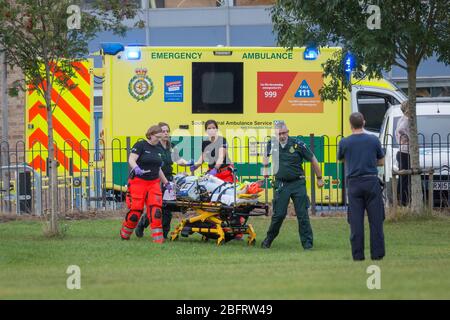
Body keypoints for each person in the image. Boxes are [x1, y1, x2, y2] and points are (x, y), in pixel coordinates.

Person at [261, 122, 324, 249]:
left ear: (288, 131)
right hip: (281, 184)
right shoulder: (271, 143)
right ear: (275, 134)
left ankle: (307, 245)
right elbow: (265, 157)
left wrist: (319, 178)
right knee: (278, 215)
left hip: (298, 183)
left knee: (302, 215)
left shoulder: (298, 144)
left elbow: (313, 159)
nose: (282, 136)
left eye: (284, 133)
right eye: (280, 134)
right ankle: (268, 240)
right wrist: (265, 170)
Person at [338, 112, 385, 261]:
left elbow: (341, 159)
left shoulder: (344, 142)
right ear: (364, 122)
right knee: (376, 220)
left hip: (354, 183)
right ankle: (377, 254)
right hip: (371, 181)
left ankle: (358, 255)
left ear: (350, 125)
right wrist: (370, 162)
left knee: (356, 221)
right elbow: (381, 161)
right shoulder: (373, 140)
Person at [135, 122, 192, 239]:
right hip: (157, 179)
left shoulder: (170, 146)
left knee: (167, 207)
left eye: (167, 131)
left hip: (169, 179)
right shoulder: (155, 146)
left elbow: (178, 159)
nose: (165, 133)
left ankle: (164, 234)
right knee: (158, 207)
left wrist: (189, 163)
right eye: (163, 131)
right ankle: (142, 223)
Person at [120, 125, 171, 243]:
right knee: (135, 212)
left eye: (160, 138)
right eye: (157, 137)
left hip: (153, 183)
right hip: (138, 182)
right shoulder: (140, 145)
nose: (158, 140)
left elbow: (158, 169)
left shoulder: (158, 149)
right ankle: (124, 234)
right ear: (151, 135)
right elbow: (131, 159)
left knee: (156, 211)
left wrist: (166, 183)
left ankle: (158, 240)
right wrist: (136, 168)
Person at [395, 101, 411, 206]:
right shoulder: (406, 119)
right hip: (405, 152)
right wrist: (407, 137)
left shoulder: (401, 119)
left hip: (401, 151)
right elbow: (401, 130)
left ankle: (400, 200)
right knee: (405, 178)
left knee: (403, 178)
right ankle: (403, 201)